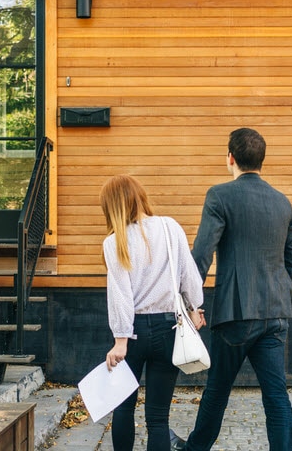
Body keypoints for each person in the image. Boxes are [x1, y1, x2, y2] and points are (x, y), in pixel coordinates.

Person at [172, 128, 292, 451]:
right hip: (275, 315)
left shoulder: (219, 196)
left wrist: (187, 302)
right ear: (261, 161)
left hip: (234, 315)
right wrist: (279, 290)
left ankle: (194, 449)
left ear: (230, 158)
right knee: (276, 396)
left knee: (216, 394)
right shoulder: (283, 203)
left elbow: (200, 256)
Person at [101, 174, 205, 451]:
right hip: (168, 328)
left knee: (123, 408)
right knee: (158, 417)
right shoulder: (169, 227)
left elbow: (120, 295)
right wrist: (195, 308)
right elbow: (189, 275)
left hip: (133, 332)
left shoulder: (113, 242)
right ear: (140, 197)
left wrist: (120, 340)